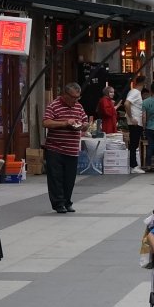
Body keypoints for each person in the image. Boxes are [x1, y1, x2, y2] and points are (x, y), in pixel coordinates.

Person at [42, 83, 87, 214]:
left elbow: (85, 121)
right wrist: (65, 123)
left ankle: (67, 202)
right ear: (65, 95)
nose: (76, 100)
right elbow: (46, 122)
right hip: (55, 148)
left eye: (78, 97)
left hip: (72, 150)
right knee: (56, 178)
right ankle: (58, 203)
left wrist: (83, 125)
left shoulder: (79, 106)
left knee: (69, 179)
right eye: (73, 97)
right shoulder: (54, 105)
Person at [126, 75, 146, 174]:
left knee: (134, 143)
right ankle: (133, 166)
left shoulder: (134, 92)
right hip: (135, 122)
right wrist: (131, 117)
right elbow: (126, 103)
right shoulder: (135, 93)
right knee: (134, 144)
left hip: (136, 122)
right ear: (142, 83)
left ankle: (134, 164)